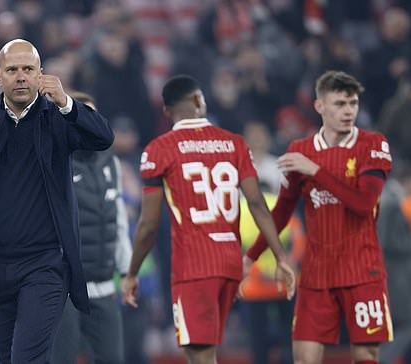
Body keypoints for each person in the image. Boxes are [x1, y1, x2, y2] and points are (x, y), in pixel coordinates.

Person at [0, 14, 114, 364]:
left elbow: (103, 138)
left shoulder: (58, 118)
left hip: (44, 266)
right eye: (12, 70)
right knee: (11, 359)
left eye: (28, 68)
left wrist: (68, 103)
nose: (21, 76)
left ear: (40, 74)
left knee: (26, 359)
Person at [121, 75, 295, 364]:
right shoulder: (235, 144)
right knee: (201, 353)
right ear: (200, 102)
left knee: (200, 355)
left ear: (166, 111)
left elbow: (149, 225)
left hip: (194, 265)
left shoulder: (159, 149)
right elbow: (257, 204)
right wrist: (280, 256)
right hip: (229, 263)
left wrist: (132, 273)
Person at [244, 70, 394, 364]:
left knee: (366, 355)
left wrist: (315, 171)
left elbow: (363, 204)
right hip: (316, 274)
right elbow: (282, 213)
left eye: (353, 103)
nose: (348, 111)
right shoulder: (299, 151)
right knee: (304, 358)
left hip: (363, 271)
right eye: (340, 104)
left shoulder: (373, 145)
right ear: (319, 106)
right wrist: (250, 257)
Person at [51, 92, 131, 364]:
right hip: (64, 287)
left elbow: (117, 217)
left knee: (112, 358)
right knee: (62, 357)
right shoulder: (52, 161)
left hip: (103, 283)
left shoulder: (112, 162)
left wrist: (127, 267)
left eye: (92, 116)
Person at [377, 161, 411, 364]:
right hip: (395, 275)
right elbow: (388, 241)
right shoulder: (390, 202)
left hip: (396, 274)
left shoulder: (390, 200)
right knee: (407, 323)